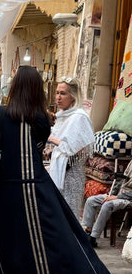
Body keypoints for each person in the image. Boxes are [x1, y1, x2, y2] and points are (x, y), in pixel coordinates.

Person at [0, 65, 118, 274]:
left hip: (6, 188)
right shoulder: (42, 118)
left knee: (7, 239)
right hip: (36, 185)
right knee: (48, 238)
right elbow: (41, 147)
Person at [48, 76, 94, 219]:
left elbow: (75, 149)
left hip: (71, 175)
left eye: (63, 93)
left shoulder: (79, 117)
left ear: (73, 97)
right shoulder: (62, 116)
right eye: (57, 93)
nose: (58, 97)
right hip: (58, 172)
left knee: (69, 217)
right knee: (56, 217)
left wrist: (50, 138)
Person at [82, 159, 132, 247]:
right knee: (91, 200)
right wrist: (112, 193)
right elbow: (122, 181)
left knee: (107, 205)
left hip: (128, 198)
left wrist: (116, 197)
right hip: (120, 193)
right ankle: (88, 231)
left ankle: (93, 237)